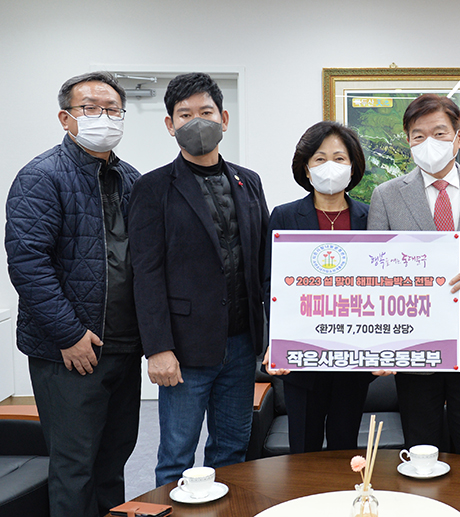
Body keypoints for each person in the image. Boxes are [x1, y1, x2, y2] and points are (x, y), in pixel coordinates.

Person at [5, 72, 141, 517]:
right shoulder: (41, 176)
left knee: (113, 460)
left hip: (122, 346)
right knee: (74, 465)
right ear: (66, 118)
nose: (104, 116)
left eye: (113, 109)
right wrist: (69, 334)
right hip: (69, 351)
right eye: (90, 108)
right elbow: (28, 264)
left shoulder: (131, 179)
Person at [128, 72, 270, 486]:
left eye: (205, 112)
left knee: (232, 451)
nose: (197, 122)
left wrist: (272, 337)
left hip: (242, 344)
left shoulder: (248, 181)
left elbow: (263, 263)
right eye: (185, 114)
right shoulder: (152, 188)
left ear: (223, 118)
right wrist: (158, 348)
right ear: (170, 124)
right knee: (177, 456)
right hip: (184, 349)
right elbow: (146, 273)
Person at [367, 93, 460, 458]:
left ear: (458, 138)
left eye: (439, 133)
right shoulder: (386, 196)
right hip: (415, 342)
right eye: (418, 135)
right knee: (421, 447)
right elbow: (375, 269)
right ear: (408, 141)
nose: (429, 142)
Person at [262, 121, 375, 453]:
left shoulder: (370, 218)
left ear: (353, 167)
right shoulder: (284, 217)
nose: (330, 167)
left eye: (339, 159)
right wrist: (276, 341)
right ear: (306, 169)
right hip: (302, 357)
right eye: (320, 159)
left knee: (345, 447)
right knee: (303, 449)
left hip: (354, 356)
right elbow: (271, 283)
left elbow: (383, 286)